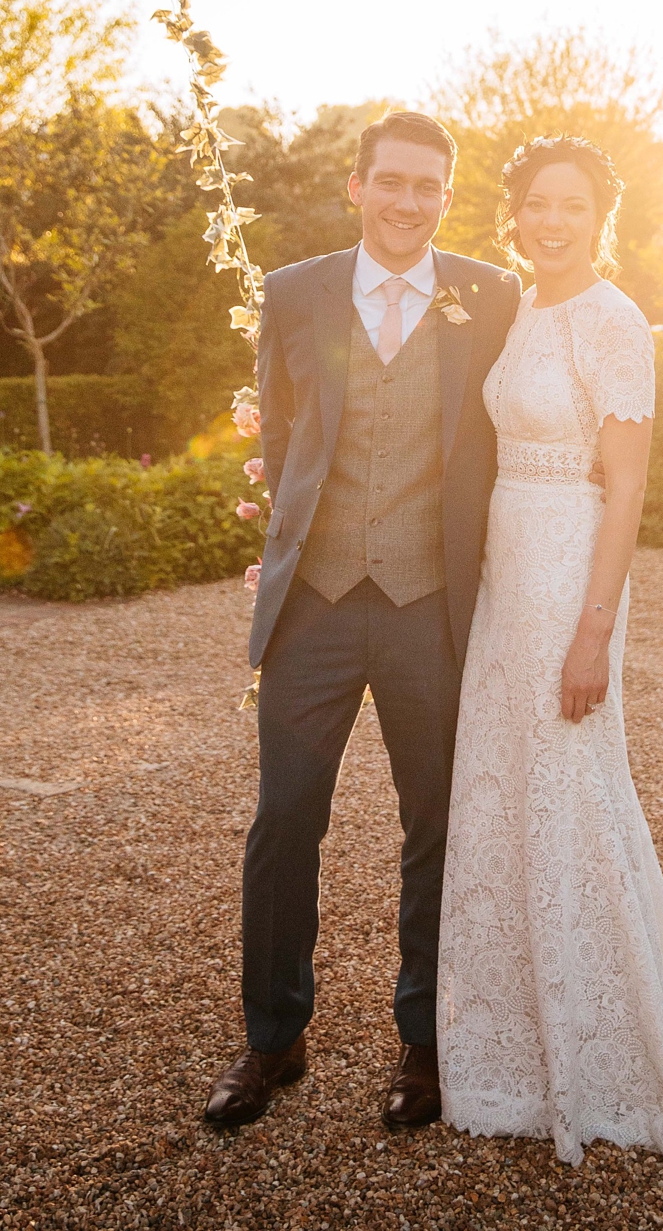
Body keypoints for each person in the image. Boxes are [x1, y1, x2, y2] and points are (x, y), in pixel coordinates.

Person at [436, 134, 663, 1176]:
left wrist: (594, 627)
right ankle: (521, 1059)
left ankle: (609, 1057)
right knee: (506, 795)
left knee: (569, 793)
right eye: (538, 203)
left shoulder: (616, 320)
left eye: (572, 205)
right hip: (505, 571)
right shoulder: (520, 307)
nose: (552, 220)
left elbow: (625, 489)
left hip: (569, 577)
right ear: (516, 213)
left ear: (601, 215)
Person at [205, 111, 521, 1131]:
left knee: (437, 826)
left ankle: (424, 1046)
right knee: (285, 820)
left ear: (446, 195)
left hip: (432, 605)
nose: (408, 203)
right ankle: (272, 1040)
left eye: (428, 187)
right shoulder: (294, 292)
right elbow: (287, 429)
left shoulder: (490, 294)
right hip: (317, 606)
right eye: (391, 182)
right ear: (356, 187)